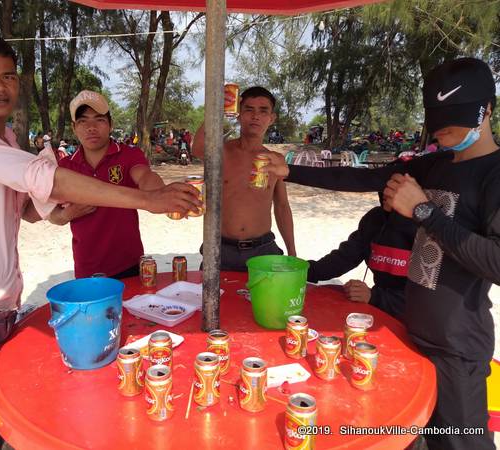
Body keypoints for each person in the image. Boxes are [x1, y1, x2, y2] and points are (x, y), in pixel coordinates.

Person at [0, 33, 200, 450]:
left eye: (8, 76)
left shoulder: (9, 142)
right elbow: (45, 183)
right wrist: (147, 201)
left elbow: (27, 210)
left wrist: (144, 195)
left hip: (3, 304)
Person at [262, 57, 499, 450]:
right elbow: (363, 177)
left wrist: (423, 211)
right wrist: (291, 171)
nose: (441, 131)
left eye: (452, 120)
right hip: (405, 333)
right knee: (400, 436)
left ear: (486, 110)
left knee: (459, 443)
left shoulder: (494, 174)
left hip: (455, 346)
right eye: (436, 121)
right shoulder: (434, 164)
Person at [49, 90, 166, 279]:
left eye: (99, 120)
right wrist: (67, 213)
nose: (91, 127)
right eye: (83, 121)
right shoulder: (65, 167)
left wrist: (161, 194)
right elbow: (52, 215)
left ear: (111, 124)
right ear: (74, 128)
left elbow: (145, 176)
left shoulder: (129, 154)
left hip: (129, 264)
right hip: (87, 268)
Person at [192, 86, 296, 271]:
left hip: (263, 249)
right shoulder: (222, 151)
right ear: (239, 115)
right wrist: (217, 109)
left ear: (271, 119)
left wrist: (292, 252)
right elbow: (197, 148)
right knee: (212, 300)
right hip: (220, 248)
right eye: (249, 109)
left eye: (263, 111)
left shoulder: (275, 160)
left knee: (266, 301)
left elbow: (282, 206)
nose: (255, 116)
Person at [308, 191, 417, 321]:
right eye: (385, 183)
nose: (388, 189)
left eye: (396, 184)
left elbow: (425, 303)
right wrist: (305, 270)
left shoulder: (425, 228)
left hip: (413, 319)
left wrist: (373, 296)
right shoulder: (375, 219)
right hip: (379, 310)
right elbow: (345, 257)